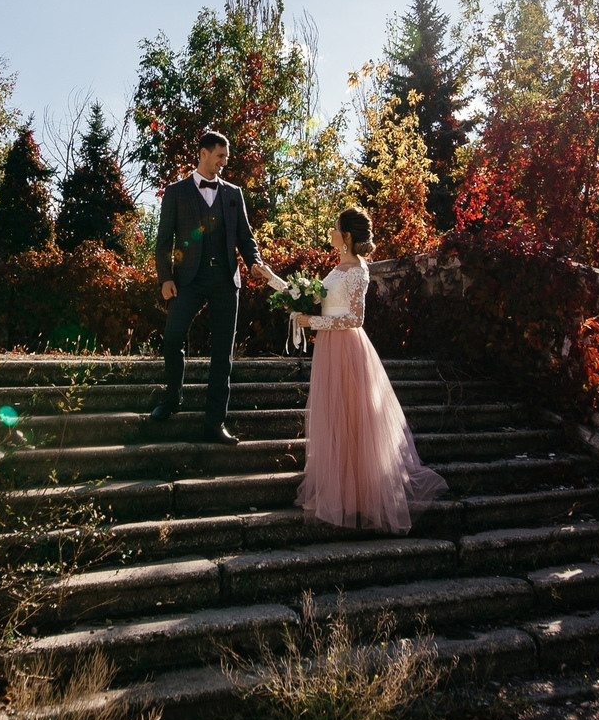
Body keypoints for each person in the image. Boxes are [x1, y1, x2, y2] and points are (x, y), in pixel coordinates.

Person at [272, 207, 445, 532]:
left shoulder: (359, 270)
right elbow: (307, 295)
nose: (331, 233)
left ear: (347, 236)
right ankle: (340, 493)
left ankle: (361, 498)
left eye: (335, 228)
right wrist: (270, 277)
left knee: (353, 419)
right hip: (329, 348)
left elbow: (355, 319)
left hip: (348, 349)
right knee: (335, 419)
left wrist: (314, 322)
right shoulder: (336, 269)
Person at [147, 129, 273, 443]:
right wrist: (165, 278)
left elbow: (246, 238)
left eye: (225, 159)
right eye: (219, 157)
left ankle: (215, 423)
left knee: (222, 354)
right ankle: (173, 399)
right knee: (173, 336)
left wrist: (254, 262)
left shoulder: (234, 194)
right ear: (203, 153)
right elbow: (163, 243)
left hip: (225, 282)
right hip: (188, 279)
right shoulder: (175, 192)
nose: (222, 164)